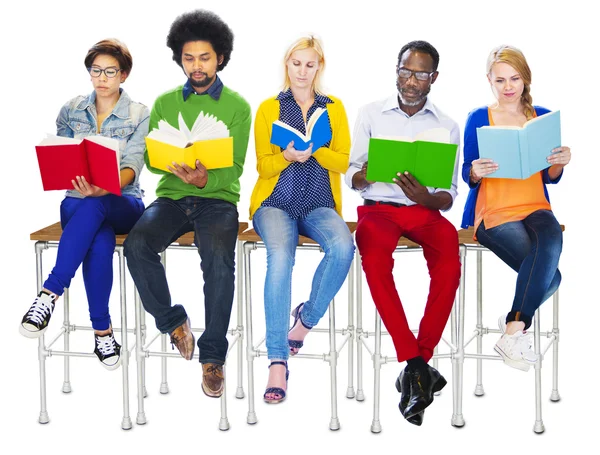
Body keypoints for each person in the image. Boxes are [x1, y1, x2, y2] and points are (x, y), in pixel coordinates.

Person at [124, 10, 251, 398]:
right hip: (173, 196)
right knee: (137, 244)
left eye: (205, 58)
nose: (197, 66)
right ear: (180, 59)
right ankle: (173, 321)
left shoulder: (238, 107)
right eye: (189, 58)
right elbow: (150, 158)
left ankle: (213, 357)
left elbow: (236, 168)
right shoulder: (163, 103)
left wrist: (206, 179)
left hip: (216, 201)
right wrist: (172, 165)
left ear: (221, 59)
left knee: (217, 260)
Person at [346, 40, 460, 425]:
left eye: (421, 74)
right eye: (405, 71)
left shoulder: (446, 125)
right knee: (375, 263)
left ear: (434, 78)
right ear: (396, 70)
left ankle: (417, 364)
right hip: (379, 210)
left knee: (449, 262)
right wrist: (369, 173)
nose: (411, 81)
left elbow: (449, 195)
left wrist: (428, 197)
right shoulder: (370, 113)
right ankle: (417, 365)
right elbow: (352, 174)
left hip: (423, 213)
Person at [20, 39, 149, 370]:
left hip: (124, 203)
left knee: (99, 209)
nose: (101, 77)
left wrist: (104, 186)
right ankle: (102, 331)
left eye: (109, 71)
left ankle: (49, 293)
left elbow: (134, 163)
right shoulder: (71, 109)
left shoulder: (139, 114)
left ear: (124, 75)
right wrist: (71, 176)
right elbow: (61, 156)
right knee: (98, 235)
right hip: (78, 203)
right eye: (95, 70)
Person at [250, 36, 354, 404]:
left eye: (310, 64)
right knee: (280, 257)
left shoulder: (334, 107)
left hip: (319, 201)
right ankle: (278, 359)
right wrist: (288, 156)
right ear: (287, 64)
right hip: (275, 202)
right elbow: (262, 164)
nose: (302, 71)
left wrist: (318, 152)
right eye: (296, 63)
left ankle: (305, 320)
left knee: (343, 248)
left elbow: (346, 161)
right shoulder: (268, 108)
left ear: (319, 67)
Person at [461, 45, 570, 372]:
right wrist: (475, 171)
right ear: (489, 81)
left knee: (552, 238)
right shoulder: (479, 117)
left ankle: (513, 327)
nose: (508, 86)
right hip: (494, 212)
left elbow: (550, 178)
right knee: (551, 279)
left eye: (515, 78)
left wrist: (559, 162)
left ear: (526, 79)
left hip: (536, 206)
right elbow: (468, 172)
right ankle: (518, 322)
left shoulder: (542, 116)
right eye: (500, 80)